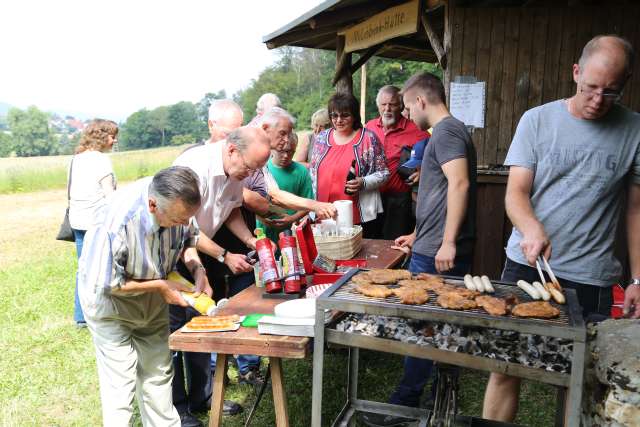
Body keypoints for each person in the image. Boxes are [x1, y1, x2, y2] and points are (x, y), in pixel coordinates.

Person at [482, 34, 640, 423]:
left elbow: (637, 210)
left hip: (592, 276)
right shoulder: (537, 121)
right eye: (590, 88)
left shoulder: (635, 130)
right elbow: (516, 193)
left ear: (626, 84)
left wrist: (639, 278)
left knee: (579, 376)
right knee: (506, 366)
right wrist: (532, 228)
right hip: (527, 266)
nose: (598, 100)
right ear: (575, 73)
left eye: (611, 92)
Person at [362, 72, 476, 427]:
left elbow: (460, 184)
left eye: (409, 105)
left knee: (424, 327)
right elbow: (439, 194)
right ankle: (437, 399)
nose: (408, 113)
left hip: (440, 252)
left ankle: (405, 405)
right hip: (428, 244)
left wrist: (447, 242)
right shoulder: (444, 133)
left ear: (421, 101)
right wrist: (416, 234)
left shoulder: (446, 131)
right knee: (433, 326)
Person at [77, 166, 209, 427]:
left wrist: (198, 269)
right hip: (111, 303)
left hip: (152, 297)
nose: (184, 224)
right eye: (178, 220)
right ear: (152, 205)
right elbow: (106, 283)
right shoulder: (115, 222)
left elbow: (188, 242)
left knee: (159, 372)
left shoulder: (179, 203)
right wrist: (160, 286)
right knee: (120, 381)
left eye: (187, 219)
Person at [171, 127, 272, 425]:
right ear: (231, 151)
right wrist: (224, 255)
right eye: (250, 167)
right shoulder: (195, 168)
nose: (252, 174)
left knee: (204, 324)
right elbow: (185, 228)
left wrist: (249, 241)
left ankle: (203, 396)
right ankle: (177, 410)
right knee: (176, 332)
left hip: (208, 251)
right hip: (177, 252)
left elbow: (231, 210)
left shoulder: (235, 171)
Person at [309, 92, 390, 238]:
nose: (339, 120)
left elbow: (384, 173)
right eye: (334, 116)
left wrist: (363, 182)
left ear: (354, 115)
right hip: (325, 214)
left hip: (359, 217)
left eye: (345, 115)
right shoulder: (321, 138)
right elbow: (312, 173)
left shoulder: (368, 138)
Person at [68, 119, 118, 327]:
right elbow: (111, 196)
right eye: (113, 136)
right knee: (105, 268)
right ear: (103, 137)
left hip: (77, 219)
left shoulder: (77, 159)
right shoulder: (101, 160)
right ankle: (104, 313)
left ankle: (81, 317)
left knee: (84, 268)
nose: (114, 140)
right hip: (97, 222)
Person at [366, 85, 430, 240]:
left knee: (395, 244)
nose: (387, 109)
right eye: (383, 104)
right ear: (378, 106)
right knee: (369, 242)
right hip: (371, 197)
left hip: (399, 200)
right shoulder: (369, 127)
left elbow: (436, 157)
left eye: (392, 104)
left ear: (401, 105)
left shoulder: (417, 130)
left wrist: (423, 171)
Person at [257, 132, 314, 243]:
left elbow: (309, 203)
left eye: (291, 152)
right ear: (272, 148)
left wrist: (292, 219)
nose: (286, 156)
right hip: (264, 230)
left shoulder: (300, 171)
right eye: (282, 151)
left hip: (289, 231)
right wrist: (262, 219)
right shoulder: (262, 168)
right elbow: (250, 200)